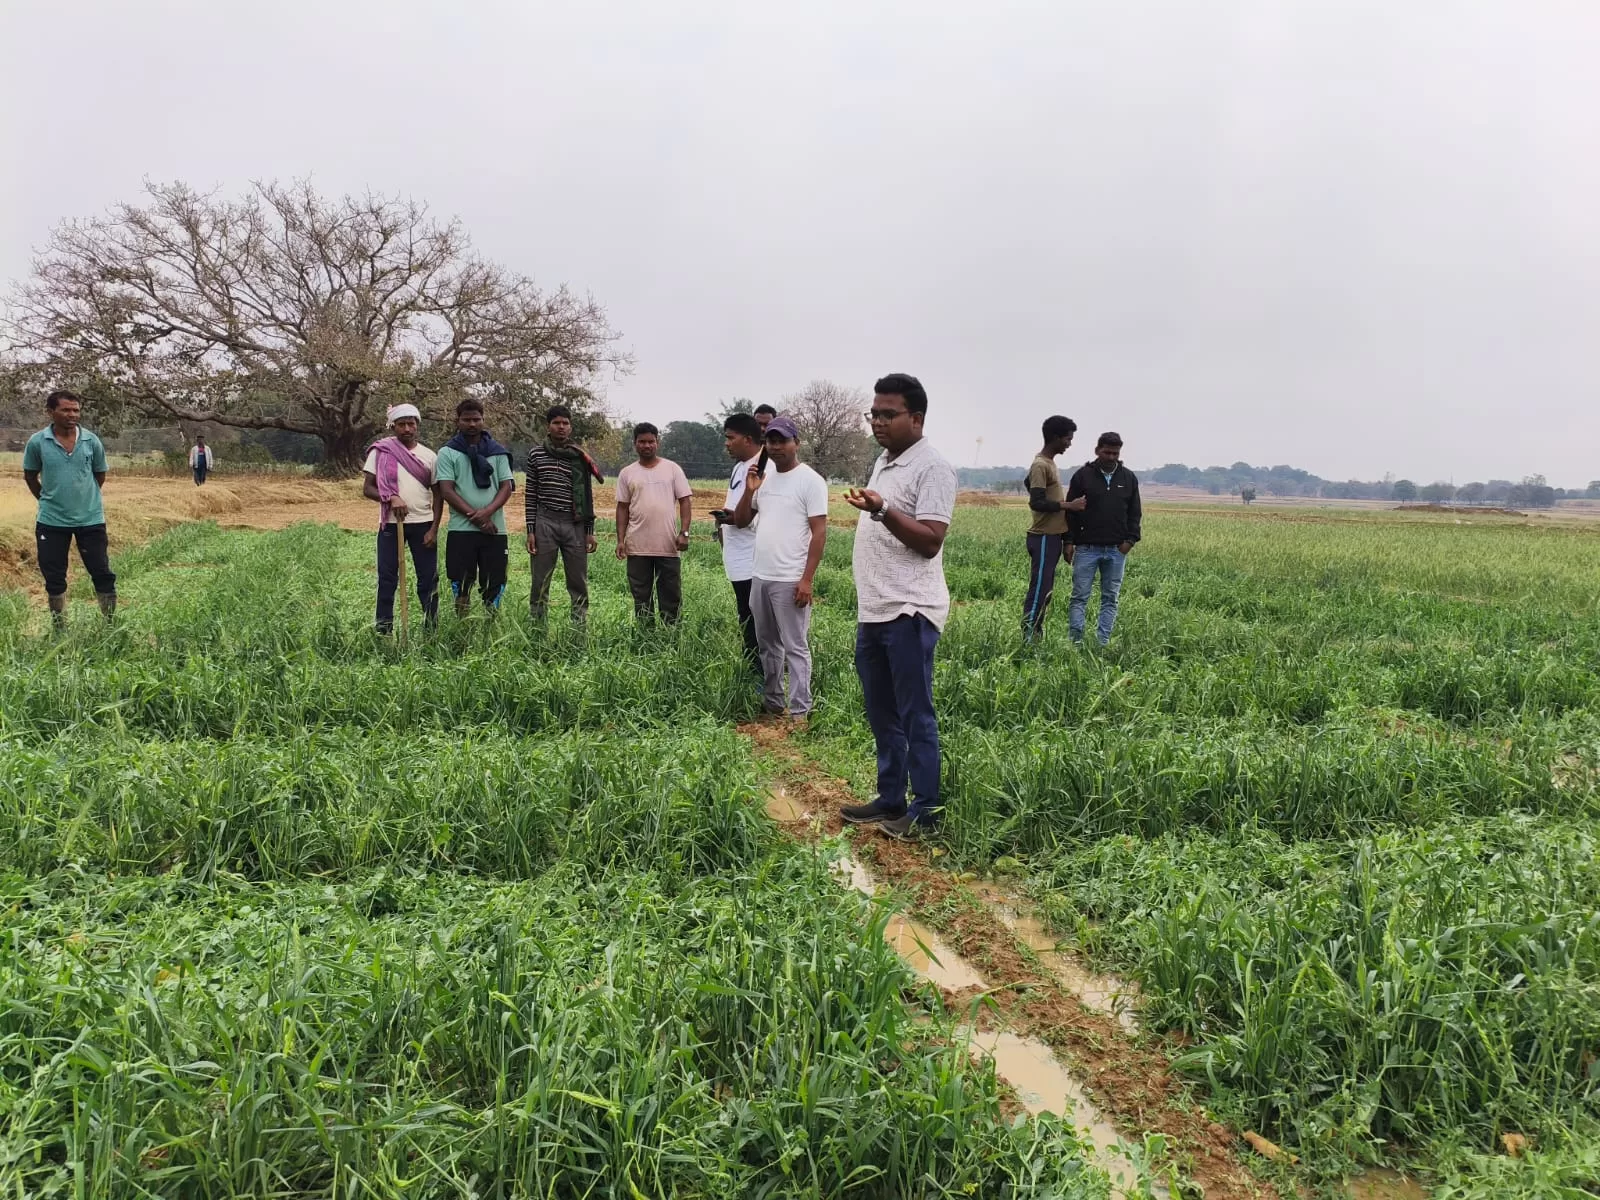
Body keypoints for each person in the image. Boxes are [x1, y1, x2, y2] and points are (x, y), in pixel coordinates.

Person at [838, 374, 957, 839]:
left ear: (917, 418)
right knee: (881, 710)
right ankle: (891, 798)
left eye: (888, 414)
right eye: (875, 414)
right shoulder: (884, 463)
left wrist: (884, 510)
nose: (878, 423)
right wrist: (877, 504)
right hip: (876, 609)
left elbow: (930, 541)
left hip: (910, 611)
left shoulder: (933, 468)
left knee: (914, 712)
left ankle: (926, 810)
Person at [731, 416, 829, 716]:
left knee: (795, 647)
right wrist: (749, 489)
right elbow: (741, 520)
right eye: (771, 441)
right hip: (760, 575)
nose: (775, 447)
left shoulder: (810, 481)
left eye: (782, 441)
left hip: (790, 579)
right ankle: (773, 702)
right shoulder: (764, 478)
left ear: (796, 443)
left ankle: (800, 710)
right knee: (767, 645)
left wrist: (807, 580)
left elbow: (820, 532)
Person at [22, 389, 117, 629]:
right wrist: (47, 500)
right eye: (65, 410)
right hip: (51, 522)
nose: (72, 414)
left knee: (102, 572)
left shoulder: (91, 441)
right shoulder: (37, 442)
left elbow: (99, 474)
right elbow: (30, 476)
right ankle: (59, 626)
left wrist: (86, 499)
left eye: (75, 410)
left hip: (90, 519)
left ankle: (110, 623)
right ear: (51, 411)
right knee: (54, 577)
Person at [361, 403, 442, 632]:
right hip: (390, 524)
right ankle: (384, 630)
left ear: (417, 426)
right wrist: (390, 498)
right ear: (393, 426)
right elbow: (367, 488)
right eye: (402, 424)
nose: (407, 428)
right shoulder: (381, 452)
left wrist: (434, 529)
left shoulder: (429, 456)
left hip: (423, 524)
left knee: (428, 580)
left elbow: (438, 494)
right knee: (387, 579)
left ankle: (431, 629)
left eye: (411, 424)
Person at [434, 398, 514, 616]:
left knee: (495, 583)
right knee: (461, 584)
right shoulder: (447, 453)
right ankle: (462, 630)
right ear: (457, 421)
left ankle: (491, 627)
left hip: (495, 530)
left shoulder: (498, 452)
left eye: (476, 419)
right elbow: (447, 491)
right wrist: (479, 519)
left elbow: (506, 487)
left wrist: (487, 514)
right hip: (461, 530)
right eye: (466, 419)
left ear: (483, 420)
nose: (472, 424)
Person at [525, 404, 602, 623]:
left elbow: (586, 496)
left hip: (574, 524)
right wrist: (531, 530)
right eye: (556, 423)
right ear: (548, 427)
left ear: (571, 427)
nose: (561, 427)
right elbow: (531, 494)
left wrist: (589, 531)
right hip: (545, 522)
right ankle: (537, 631)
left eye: (565, 423)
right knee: (540, 582)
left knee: (578, 583)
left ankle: (578, 633)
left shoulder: (580, 457)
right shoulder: (536, 454)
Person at [1065, 432, 1142, 645]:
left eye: (1115, 453)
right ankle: (1075, 642)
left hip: (1117, 550)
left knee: (1110, 598)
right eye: (1107, 452)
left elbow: (1135, 513)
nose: (1110, 457)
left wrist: (1130, 541)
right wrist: (1068, 541)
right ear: (1097, 450)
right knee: (1079, 596)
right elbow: (1070, 511)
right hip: (1086, 548)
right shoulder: (1082, 476)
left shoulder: (1128, 478)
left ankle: (1102, 643)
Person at [615, 422, 693, 625]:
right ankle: (646, 637)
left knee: (671, 597)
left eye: (651, 441)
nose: (647, 446)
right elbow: (622, 508)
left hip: (668, 546)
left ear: (657, 442)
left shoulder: (672, 469)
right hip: (637, 547)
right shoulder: (627, 473)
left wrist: (684, 532)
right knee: (641, 597)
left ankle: (671, 637)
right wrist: (620, 540)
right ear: (635, 444)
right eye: (642, 442)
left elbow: (685, 500)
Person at [1021, 415, 1088, 641]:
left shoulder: (1048, 464)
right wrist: (1069, 505)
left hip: (1052, 538)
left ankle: (1035, 635)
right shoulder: (1041, 464)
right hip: (1042, 538)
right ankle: (1029, 637)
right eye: (1067, 439)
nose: (1069, 443)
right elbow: (1036, 501)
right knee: (1039, 589)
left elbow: (1029, 485)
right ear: (1055, 438)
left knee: (1045, 591)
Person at [716, 412, 764, 673]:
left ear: (747, 439)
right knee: (745, 616)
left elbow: (760, 513)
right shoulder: (738, 467)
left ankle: (760, 675)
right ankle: (752, 668)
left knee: (755, 620)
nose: (727, 443)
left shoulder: (762, 467)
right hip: (737, 558)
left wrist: (737, 518)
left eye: (730, 438)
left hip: (753, 558)